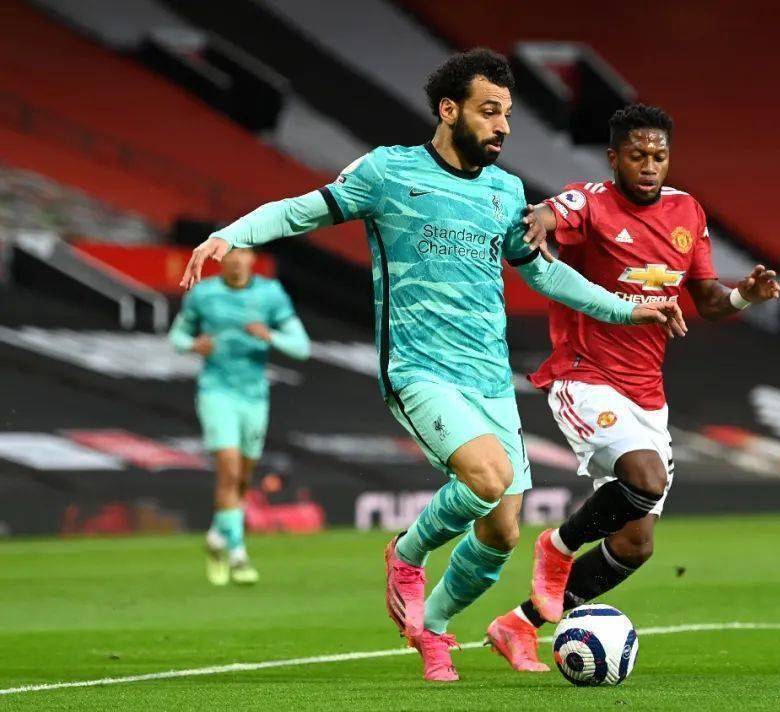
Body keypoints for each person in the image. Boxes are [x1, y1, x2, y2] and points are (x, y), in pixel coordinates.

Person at [177, 51, 684, 682]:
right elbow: (301, 208)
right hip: (420, 369)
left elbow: (545, 273)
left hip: (489, 377)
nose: (502, 126)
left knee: (502, 533)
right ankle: (407, 553)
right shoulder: (388, 172)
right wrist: (233, 235)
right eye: (489, 111)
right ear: (449, 110)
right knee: (488, 476)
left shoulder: (505, 192)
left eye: (507, 114)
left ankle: (434, 630)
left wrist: (626, 309)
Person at [482, 104, 780, 671]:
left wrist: (745, 295)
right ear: (614, 158)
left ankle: (518, 625)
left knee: (635, 544)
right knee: (646, 478)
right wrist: (539, 222)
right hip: (585, 377)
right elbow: (550, 212)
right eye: (638, 155)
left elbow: (709, 300)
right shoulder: (591, 202)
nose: (649, 166)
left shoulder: (686, 211)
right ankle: (557, 548)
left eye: (659, 156)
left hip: (648, 394)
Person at [169, 247, 310, 586]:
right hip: (216, 391)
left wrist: (269, 335)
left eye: (241, 253)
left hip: (254, 397)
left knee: (243, 477)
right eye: (228, 255)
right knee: (229, 470)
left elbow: (302, 347)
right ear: (220, 260)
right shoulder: (203, 294)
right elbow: (177, 336)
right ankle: (237, 553)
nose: (235, 260)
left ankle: (217, 538)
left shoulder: (270, 293)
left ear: (251, 258)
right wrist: (192, 345)